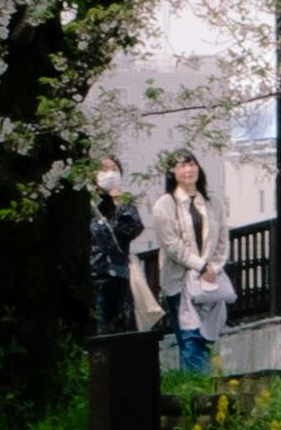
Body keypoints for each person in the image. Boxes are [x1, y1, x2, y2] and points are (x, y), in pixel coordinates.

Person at [144, 150, 228, 377]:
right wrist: (200, 265)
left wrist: (214, 268)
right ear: (173, 173)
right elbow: (171, 245)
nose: (188, 170)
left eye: (192, 164)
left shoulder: (213, 202)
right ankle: (196, 390)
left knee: (207, 336)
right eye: (182, 166)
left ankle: (200, 387)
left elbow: (222, 241)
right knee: (190, 336)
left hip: (209, 280)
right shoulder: (165, 204)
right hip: (180, 280)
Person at [88, 161, 144, 336]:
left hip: (119, 276)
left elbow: (134, 229)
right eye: (104, 169)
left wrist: (121, 205)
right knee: (99, 330)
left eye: (114, 169)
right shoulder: (88, 204)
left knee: (123, 331)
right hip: (94, 277)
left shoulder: (124, 202)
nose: (110, 174)